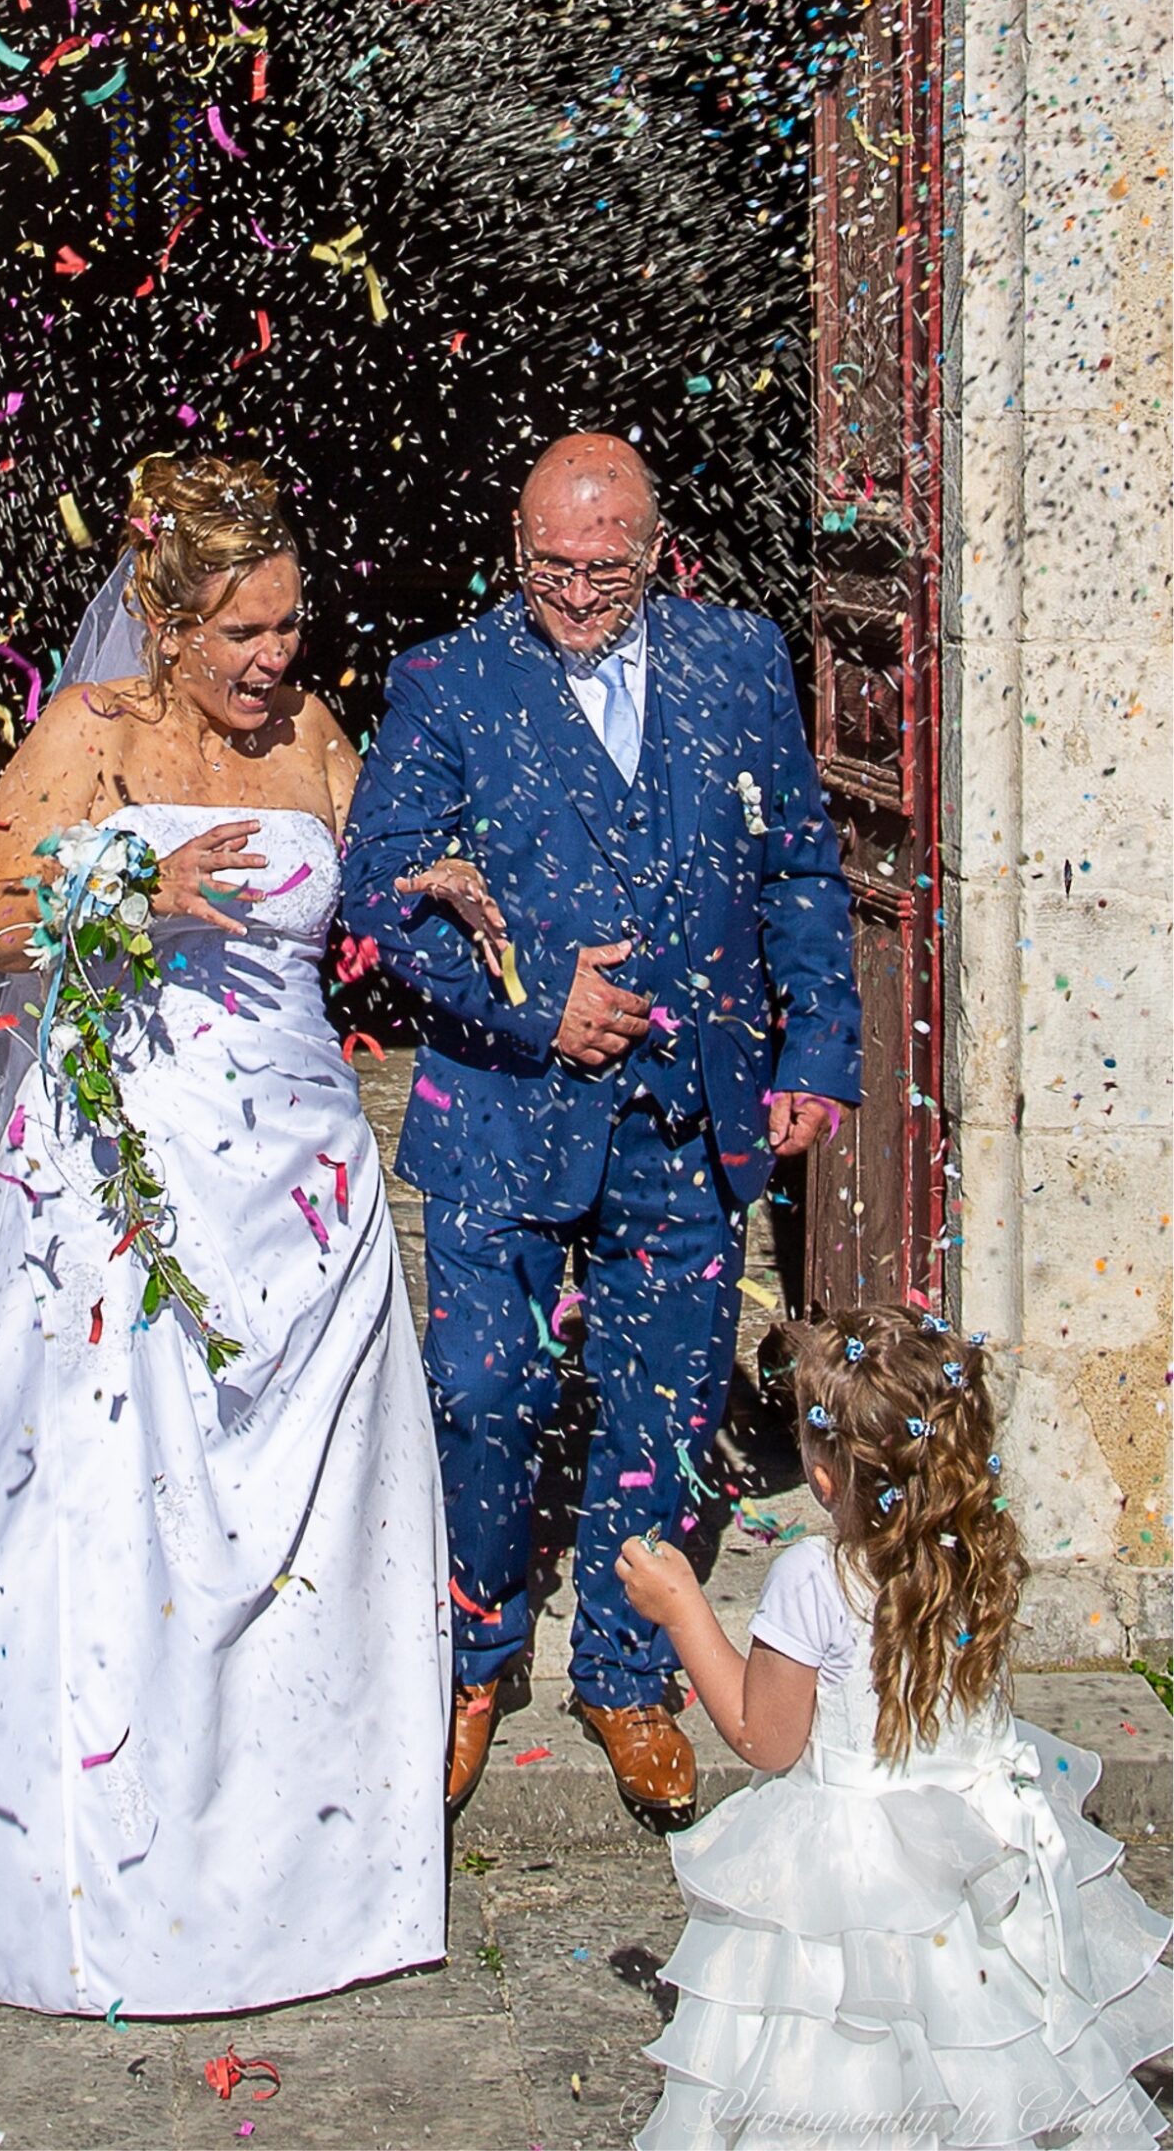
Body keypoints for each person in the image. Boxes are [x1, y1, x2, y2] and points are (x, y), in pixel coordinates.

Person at [0, 453, 452, 2018]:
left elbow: (374, 896)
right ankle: (104, 1844)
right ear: (168, 625)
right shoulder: (91, 733)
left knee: (312, 1512)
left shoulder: (315, 733)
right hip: (127, 1177)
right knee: (120, 1498)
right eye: (245, 632)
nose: (275, 659)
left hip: (302, 1179)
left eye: (290, 624)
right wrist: (131, 898)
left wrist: (429, 881)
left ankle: (304, 1840)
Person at [339, 431, 861, 1818]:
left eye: (603, 572)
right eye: (549, 568)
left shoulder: (738, 659)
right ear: (517, 550)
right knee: (480, 1396)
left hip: (686, 1116)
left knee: (664, 1409)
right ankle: (472, 1661)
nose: (573, 595)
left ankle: (628, 1675)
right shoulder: (444, 680)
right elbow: (377, 891)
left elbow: (799, 865)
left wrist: (816, 1047)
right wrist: (530, 1005)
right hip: (501, 1117)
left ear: (655, 553)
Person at [617, 1300, 1173, 2148]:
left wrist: (684, 1609)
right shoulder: (983, 1553)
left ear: (825, 1474)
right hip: (979, 1854)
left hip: (853, 1874)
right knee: (982, 2044)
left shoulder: (815, 1577)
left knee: (853, 2075)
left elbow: (766, 1738)